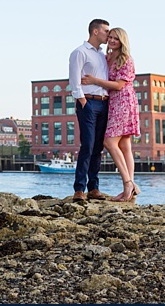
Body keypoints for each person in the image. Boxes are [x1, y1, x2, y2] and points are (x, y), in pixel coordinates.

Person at [82, 27, 140, 202]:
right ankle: (130, 188)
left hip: (124, 101)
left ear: (123, 41)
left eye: (116, 38)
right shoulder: (107, 58)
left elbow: (119, 85)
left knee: (109, 141)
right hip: (113, 102)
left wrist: (94, 81)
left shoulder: (126, 59)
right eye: (111, 37)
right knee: (124, 145)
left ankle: (127, 183)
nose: (113, 40)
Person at [68, 19, 111, 202]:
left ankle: (94, 188)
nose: (108, 35)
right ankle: (79, 189)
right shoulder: (79, 52)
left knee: (98, 147)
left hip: (104, 103)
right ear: (95, 31)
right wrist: (82, 100)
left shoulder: (103, 55)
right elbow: (74, 80)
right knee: (88, 145)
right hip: (89, 103)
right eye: (106, 31)